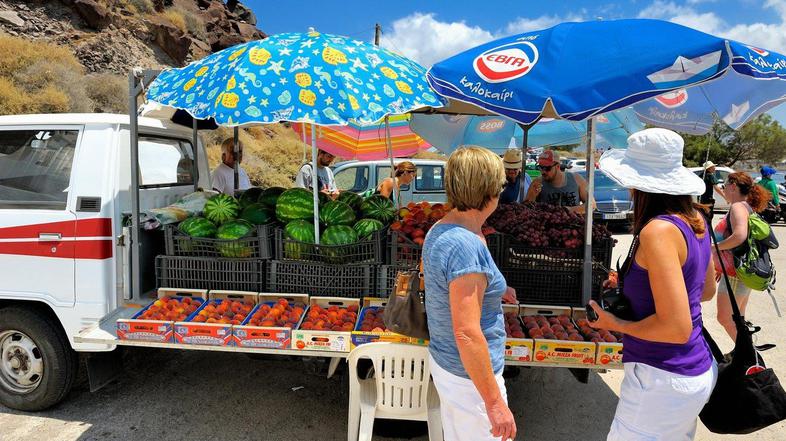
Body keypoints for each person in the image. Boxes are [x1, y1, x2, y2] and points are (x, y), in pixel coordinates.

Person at [589, 128, 718, 440]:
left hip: (661, 376)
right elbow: (706, 291)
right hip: (694, 369)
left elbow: (676, 328)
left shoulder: (657, 231)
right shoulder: (696, 221)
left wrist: (614, 323)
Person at [423, 146, 518, 441]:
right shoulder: (466, 245)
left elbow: (440, 280)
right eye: (500, 185)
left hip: (449, 365)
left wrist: (493, 288)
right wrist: (494, 403)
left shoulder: (440, 228)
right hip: (470, 380)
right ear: (489, 190)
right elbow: (467, 333)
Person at [713, 172, 770, 341]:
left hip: (735, 273)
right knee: (738, 319)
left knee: (725, 318)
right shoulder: (745, 206)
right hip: (738, 271)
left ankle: (749, 354)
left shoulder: (737, 207)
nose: (723, 190)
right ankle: (744, 353)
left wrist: (714, 248)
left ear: (733, 186)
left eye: (724, 186)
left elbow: (739, 236)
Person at [526, 150, 592, 213]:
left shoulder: (576, 179)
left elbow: (591, 205)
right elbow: (525, 207)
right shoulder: (537, 182)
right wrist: (532, 196)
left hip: (573, 220)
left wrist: (569, 210)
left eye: (547, 168)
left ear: (557, 166)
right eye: (540, 167)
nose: (543, 172)